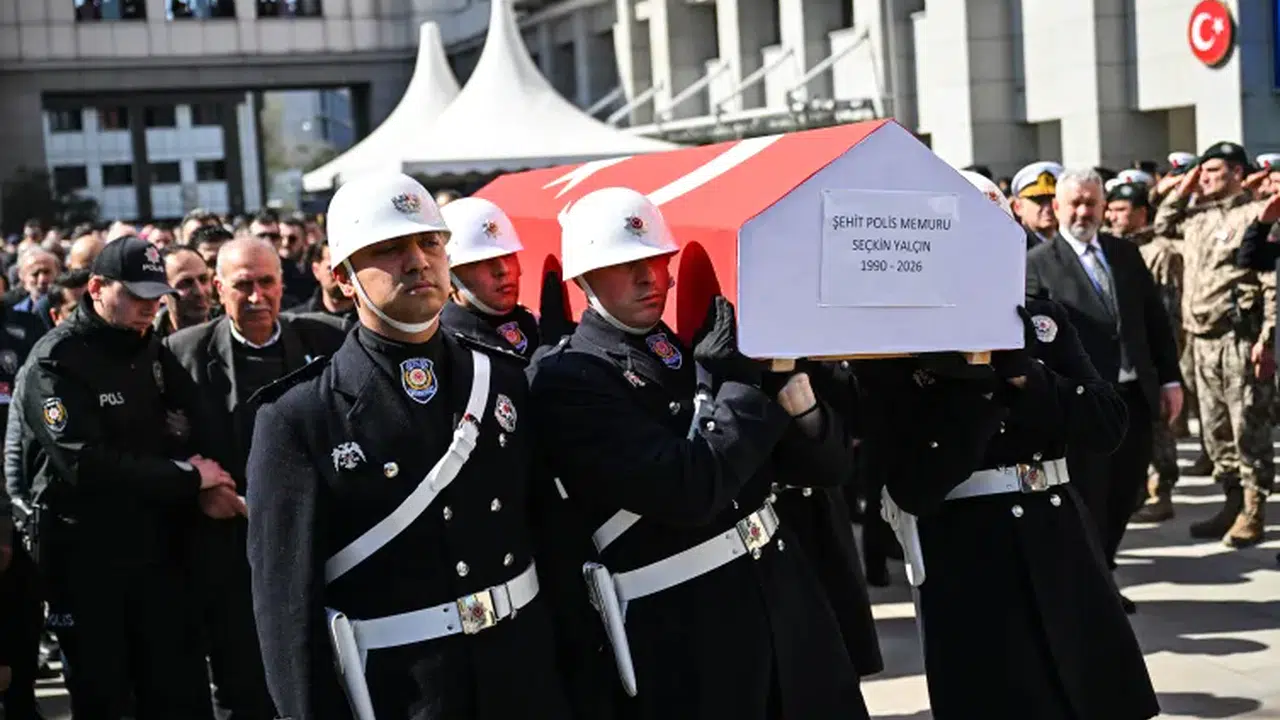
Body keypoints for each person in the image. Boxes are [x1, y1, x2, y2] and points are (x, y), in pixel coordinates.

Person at [529, 186, 870, 719]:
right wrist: (732, 382)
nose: (649, 278)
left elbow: (826, 469)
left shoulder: (691, 344)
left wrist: (795, 393)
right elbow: (690, 490)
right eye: (626, 265)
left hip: (786, 601)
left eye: (657, 260)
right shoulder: (568, 377)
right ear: (584, 278)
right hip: (691, 629)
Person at [246, 173, 571, 720]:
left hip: (524, 676)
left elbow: (554, 541)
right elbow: (287, 618)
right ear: (344, 278)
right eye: (389, 250)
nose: (418, 261)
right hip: (408, 694)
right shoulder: (297, 417)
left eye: (430, 242)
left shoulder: (503, 378)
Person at [866, 172, 1158, 719]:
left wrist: (1029, 378)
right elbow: (914, 482)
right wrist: (974, 385)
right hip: (970, 553)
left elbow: (1107, 424)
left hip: (1059, 535)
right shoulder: (895, 343)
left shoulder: (1042, 321)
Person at [19, 236, 239, 719]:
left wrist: (217, 480)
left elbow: (199, 421)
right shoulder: (55, 361)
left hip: (156, 552)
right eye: (137, 296)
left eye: (156, 296)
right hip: (86, 560)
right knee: (106, 696)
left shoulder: (150, 348)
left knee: (179, 689)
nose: (150, 307)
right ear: (96, 288)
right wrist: (186, 477)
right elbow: (84, 462)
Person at [165, 237, 346, 720]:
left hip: (313, 547)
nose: (256, 296)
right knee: (240, 684)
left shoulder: (326, 339)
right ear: (218, 288)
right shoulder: (182, 354)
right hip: (225, 554)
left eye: (267, 282)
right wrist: (197, 486)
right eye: (242, 285)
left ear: (283, 284)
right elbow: (155, 445)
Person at [1026, 168, 1183, 612]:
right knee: (1089, 496)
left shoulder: (1124, 254)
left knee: (1127, 492)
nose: (1083, 211)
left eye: (1091, 203)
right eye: (1074, 203)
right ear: (1057, 208)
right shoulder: (1037, 265)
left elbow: (1155, 321)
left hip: (1134, 396)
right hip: (1084, 403)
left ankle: (1104, 566)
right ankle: (1094, 586)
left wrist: (1170, 379)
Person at [1155, 142, 1275, 547]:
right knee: (1215, 428)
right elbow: (1162, 221)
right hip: (1200, 338)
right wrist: (1190, 181)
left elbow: (1270, 281)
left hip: (1237, 337)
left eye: (1215, 171)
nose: (1205, 177)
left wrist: (1268, 339)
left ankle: (1254, 507)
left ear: (1239, 174)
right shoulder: (1197, 217)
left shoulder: (1255, 215)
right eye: (1203, 171)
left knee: (1247, 426)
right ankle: (1231, 500)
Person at [439, 197, 541, 361]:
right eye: (480, 261)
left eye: (508, 255)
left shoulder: (536, 325)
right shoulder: (441, 345)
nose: (503, 270)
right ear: (448, 278)